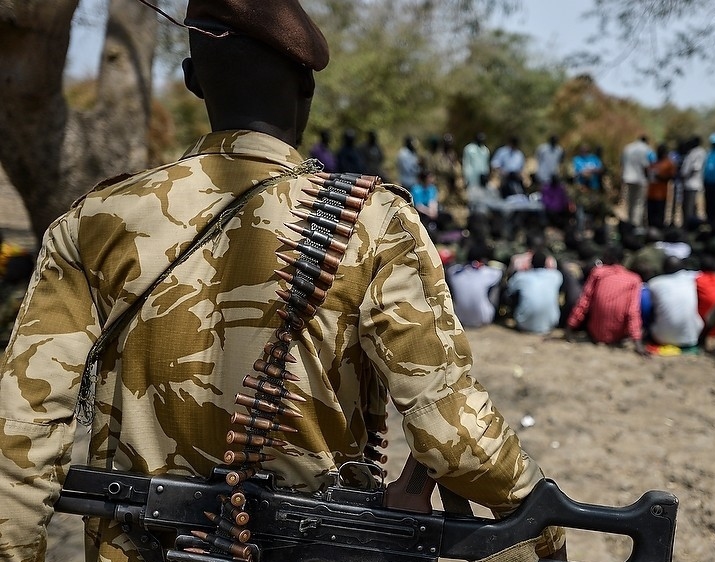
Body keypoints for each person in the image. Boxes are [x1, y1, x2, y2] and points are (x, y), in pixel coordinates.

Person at [0, 2, 564, 560]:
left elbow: (23, 431)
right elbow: (453, 434)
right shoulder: (373, 223)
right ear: (306, 88)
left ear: (192, 80)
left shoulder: (95, 221)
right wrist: (542, 519)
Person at [565, 244, 646, 355]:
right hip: (618, 337)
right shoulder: (634, 279)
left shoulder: (598, 273)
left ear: (608, 258)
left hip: (595, 333)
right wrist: (638, 343)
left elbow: (584, 302)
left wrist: (569, 327)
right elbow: (632, 311)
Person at [646, 256, 703, 348]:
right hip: (692, 338)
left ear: (663, 268)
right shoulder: (691, 278)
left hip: (662, 338)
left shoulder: (654, 283)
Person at [445, 244, 505, 329]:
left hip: (459, 317)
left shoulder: (453, 271)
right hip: (483, 319)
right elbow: (502, 271)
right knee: (496, 287)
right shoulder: (491, 273)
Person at [506, 251, 564, 335]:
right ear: (545, 263)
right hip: (550, 324)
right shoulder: (556, 276)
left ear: (531, 263)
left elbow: (509, 292)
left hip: (524, 324)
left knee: (516, 293)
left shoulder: (521, 276)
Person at [621, 134, 654, 227]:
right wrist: (649, 178)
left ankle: (630, 223)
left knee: (630, 202)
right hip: (640, 178)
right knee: (638, 203)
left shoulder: (628, 148)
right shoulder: (646, 149)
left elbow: (622, 163)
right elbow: (648, 165)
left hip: (628, 178)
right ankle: (636, 225)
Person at [646, 143, 676, 230]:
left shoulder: (668, 163)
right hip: (651, 194)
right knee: (650, 217)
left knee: (659, 217)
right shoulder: (654, 163)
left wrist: (660, 177)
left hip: (661, 194)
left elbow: (672, 176)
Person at [679, 135, 706, 227]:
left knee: (689, 208)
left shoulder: (698, 152)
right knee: (687, 207)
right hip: (688, 184)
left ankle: (689, 226)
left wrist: (685, 174)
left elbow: (695, 167)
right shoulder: (692, 152)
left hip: (692, 184)